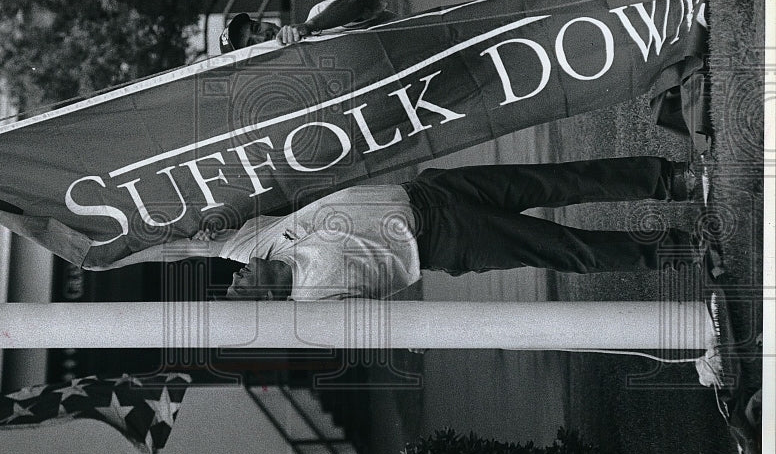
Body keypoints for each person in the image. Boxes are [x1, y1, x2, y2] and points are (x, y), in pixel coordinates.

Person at [92, 157, 705, 301]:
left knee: (554, 181)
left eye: (235, 279)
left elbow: (177, 241)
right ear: (266, 303)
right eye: (241, 289)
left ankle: (673, 180)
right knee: (566, 249)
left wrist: (110, 250)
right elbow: (376, 329)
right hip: (448, 242)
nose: (237, 276)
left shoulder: (256, 243)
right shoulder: (315, 302)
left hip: (431, 191)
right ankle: (685, 250)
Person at [218, 0, 396, 53]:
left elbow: (360, 5)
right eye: (251, 42)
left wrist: (310, 27)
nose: (261, 35)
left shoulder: (318, 16)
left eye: (256, 27)